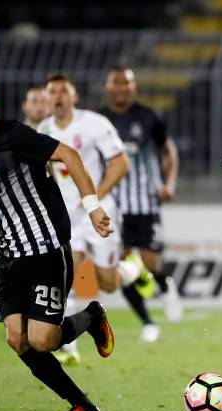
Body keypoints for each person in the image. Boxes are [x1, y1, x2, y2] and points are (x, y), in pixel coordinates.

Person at [0, 72, 114, 411]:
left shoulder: (10, 134)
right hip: (7, 261)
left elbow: (68, 153)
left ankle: (91, 316)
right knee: (17, 340)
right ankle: (83, 406)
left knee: (43, 340)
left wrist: (93, 205)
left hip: (47, 252)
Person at [38, 72, 154, 359]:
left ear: (74, 96)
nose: (59, 96)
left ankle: (134, 269)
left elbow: (120, 163)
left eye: (64, 91)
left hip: (100, 212)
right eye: (53, 92)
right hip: (68, 219)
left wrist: (94, 199)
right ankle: (68, 346)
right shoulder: (43, 129)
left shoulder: (93, 124)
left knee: (109, 283)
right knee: (62, 275)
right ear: (46, 97)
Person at [100, 66, 182, 342]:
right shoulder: (99, 120)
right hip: (113, 207)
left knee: (150, 261)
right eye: (117, 82)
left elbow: (168, 150)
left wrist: (168, 184)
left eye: (127, 83)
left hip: (146, 204)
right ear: (108, 87)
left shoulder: (148, 117)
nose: (122, 87)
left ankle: (165, 286)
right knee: (116, 268)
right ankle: (148, 322)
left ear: (134, 88)